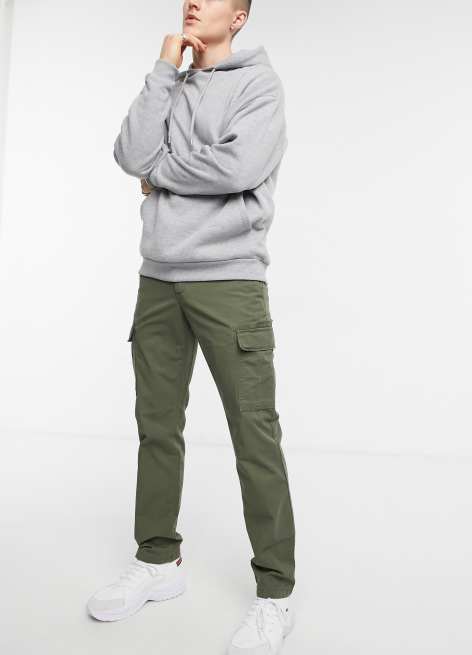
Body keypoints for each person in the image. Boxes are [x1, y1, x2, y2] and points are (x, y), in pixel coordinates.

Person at [86, 2, 296, 652]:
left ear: (239, 18)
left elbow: (238, 168)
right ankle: (157, 558)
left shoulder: (259, 85)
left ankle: (276, 594)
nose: (193, 2)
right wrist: (161, 69)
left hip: (229, 281)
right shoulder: (170, 84)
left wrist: (160, 173)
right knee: (157, 426)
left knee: (253, 435)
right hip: (158, 279)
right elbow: (128, 153)